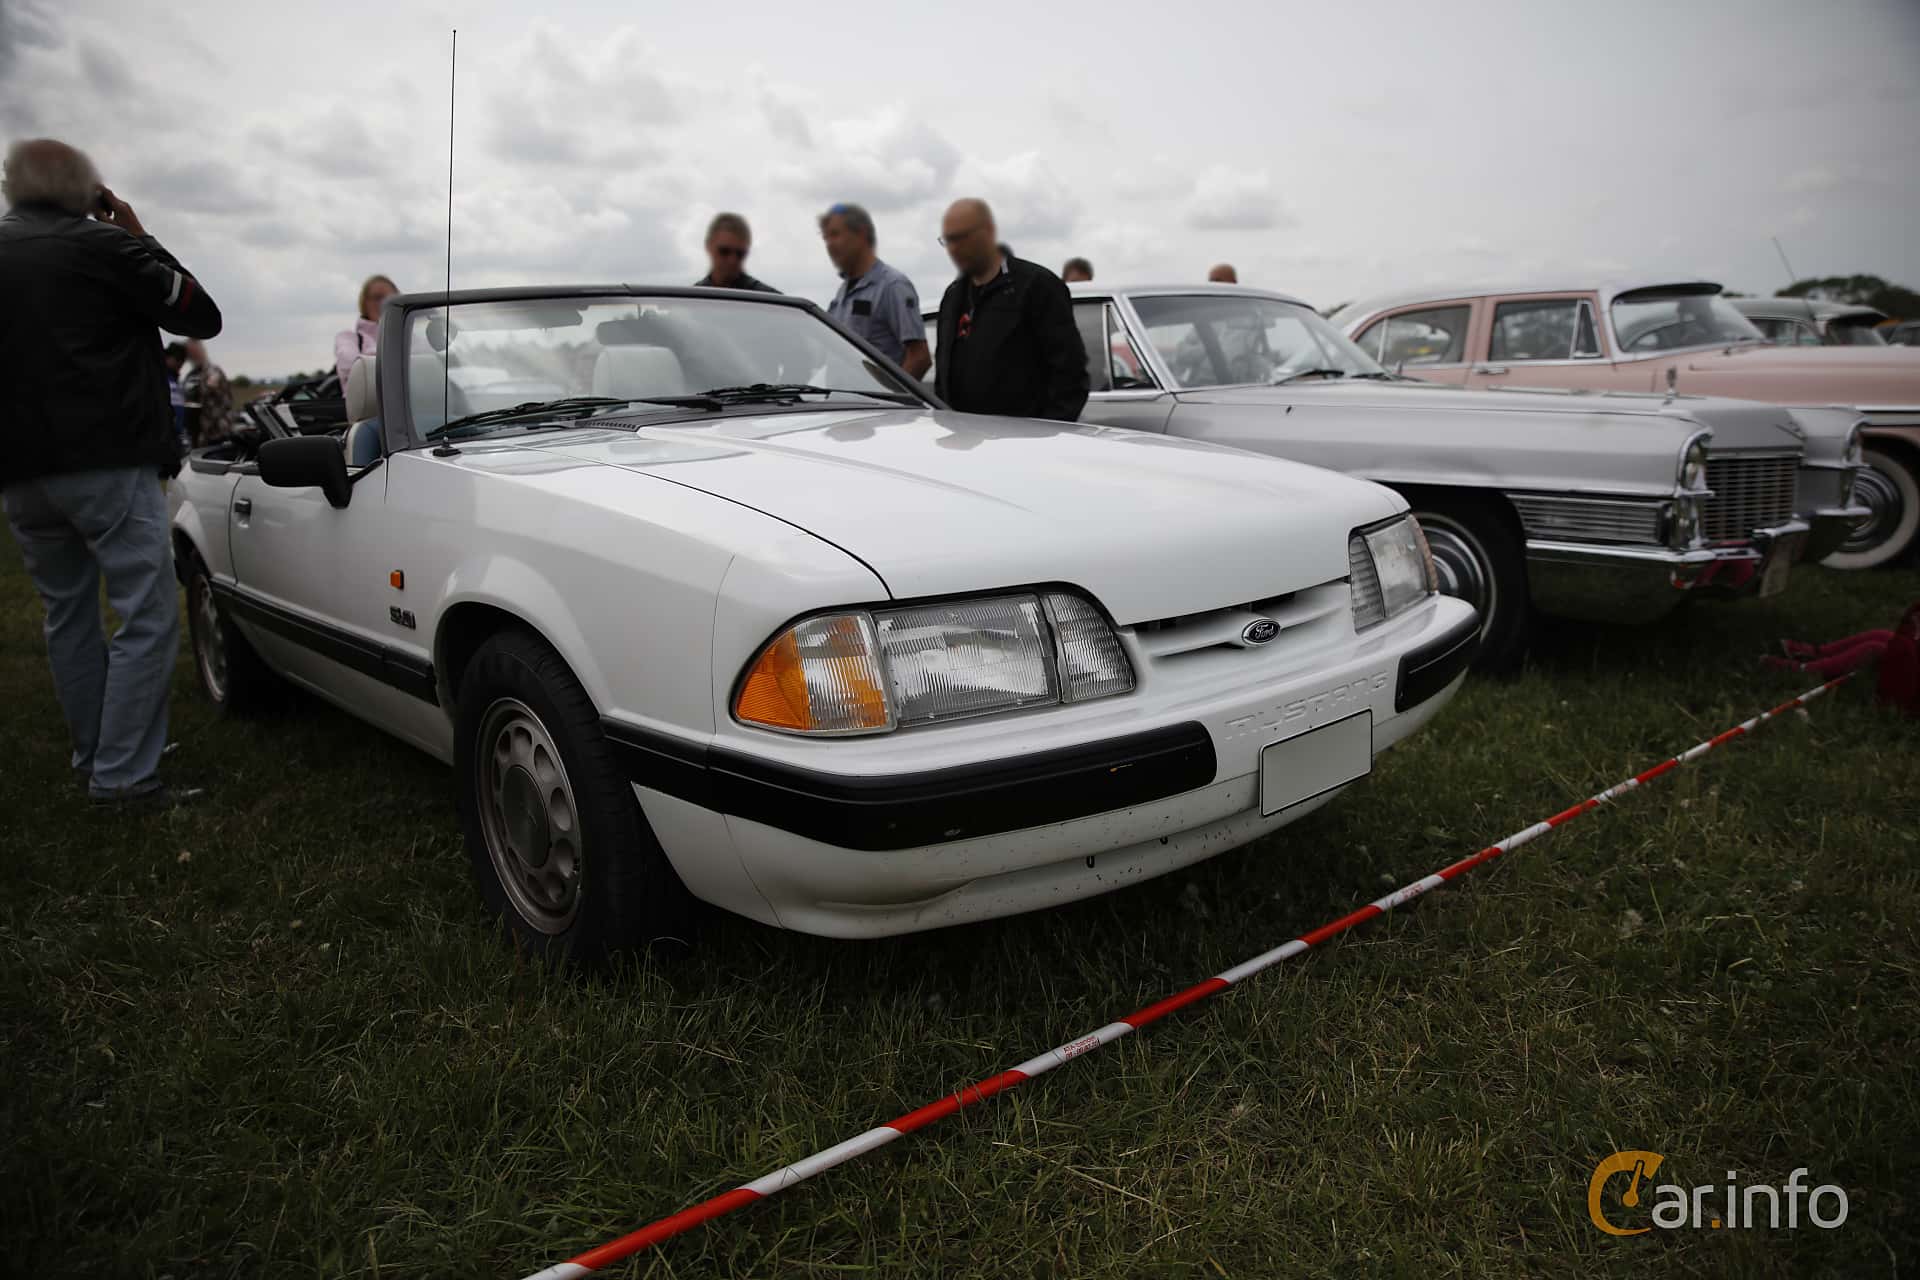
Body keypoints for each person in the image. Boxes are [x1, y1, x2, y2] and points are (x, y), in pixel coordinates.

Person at [0, 137, 222, 807]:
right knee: (147, 612)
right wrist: (136, 232)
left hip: (20, 468)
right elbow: (199, 313)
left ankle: (97, 752)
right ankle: (123, 775)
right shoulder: (105, 246)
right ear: (87, 190)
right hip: (106, 458)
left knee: (66, 613)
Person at [933, 198, 1088, 422]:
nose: (954, 249)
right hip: (963, 434)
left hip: (1023, 435)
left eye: (962, 238)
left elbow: (1070, 373)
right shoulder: (953, 296)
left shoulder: (1036, 286)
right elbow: (943, 374)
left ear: (988, 232)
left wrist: (1049, 430)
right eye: (948, 240)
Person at [820, 202, 930, 379]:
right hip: (840, 395)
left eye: (835, 235)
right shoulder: (843, 292)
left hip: (874, 397)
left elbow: (919, 357)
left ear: (861, 234)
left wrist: (895, 393)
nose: (829, 244)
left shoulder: (892, 285)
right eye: (826, 238)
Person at [335, 273, 397, 389]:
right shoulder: (348, 338)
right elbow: (352, 367)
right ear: (364, 302)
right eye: (377, 298)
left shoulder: (411, 338)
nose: (383, 303)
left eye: (390, 299)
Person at [694, 212, 778, 293]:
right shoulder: (693, 297)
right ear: (708, 246)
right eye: (724, 251)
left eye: (740, 254)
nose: (732, 260)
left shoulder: (768, 299)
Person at [181, 337, 233, 445]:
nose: (191, 356)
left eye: (193, 351)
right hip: (197, 432)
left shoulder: (213, 371)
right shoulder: (191, 374)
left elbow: (215, 386)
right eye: (189, 353)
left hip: (216, 432)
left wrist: (211, 384)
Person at [162, 341, 189, 452]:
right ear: (167, 357)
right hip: (164, 437)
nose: (180, 363)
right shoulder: (160, 378)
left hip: (176, 437)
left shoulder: (177, 382)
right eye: (178, 359)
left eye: (183, 360)